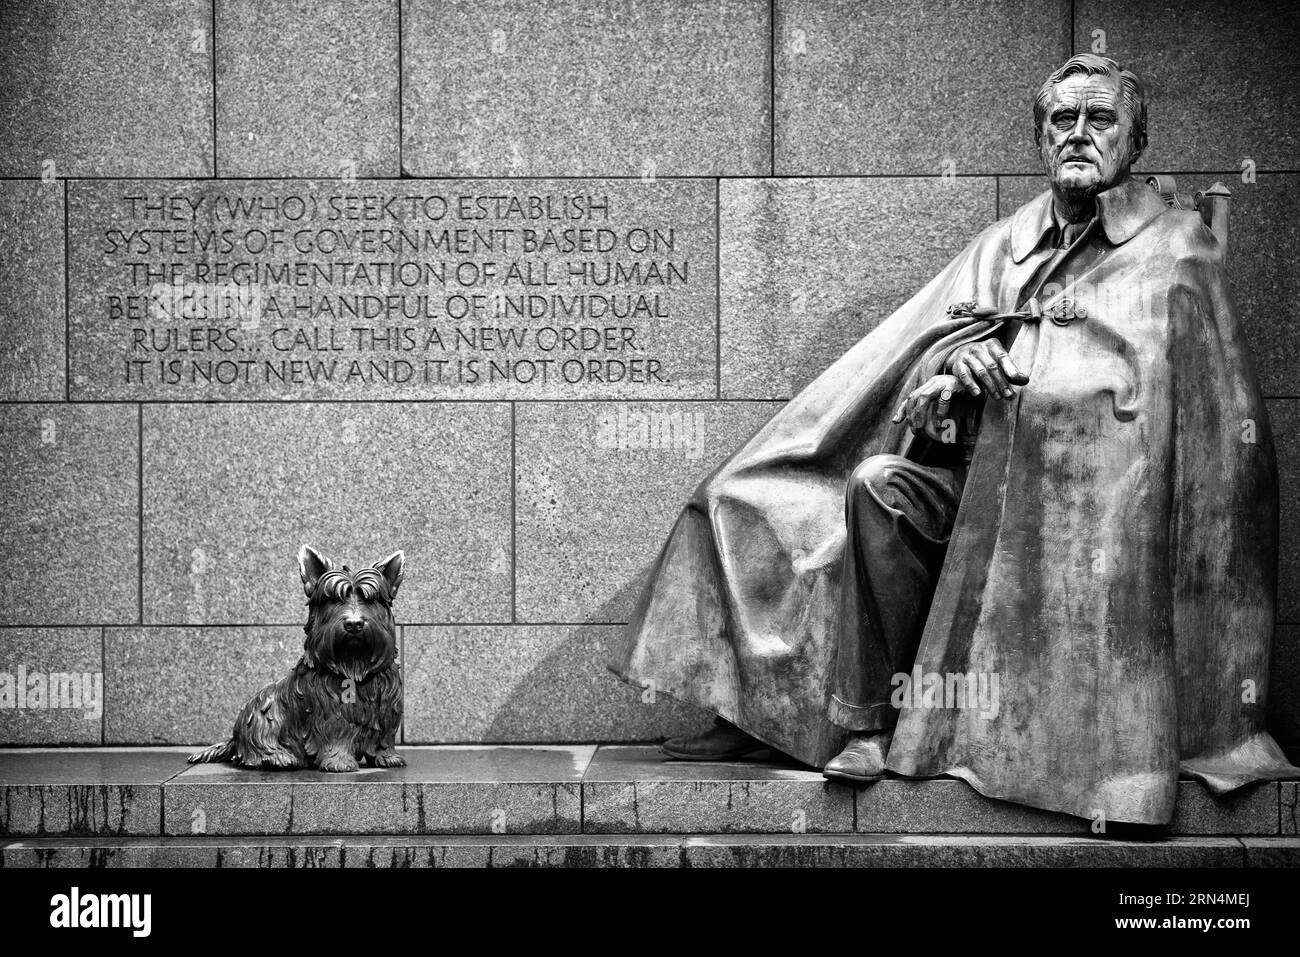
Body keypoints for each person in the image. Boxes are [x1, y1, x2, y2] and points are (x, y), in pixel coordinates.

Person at [610, 53, 1298, 825]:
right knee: (850, 488)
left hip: (1080, 514)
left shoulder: (1176, 247)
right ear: (1041, 140)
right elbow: (923, 357)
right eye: (1060, 121)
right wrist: (951, 370)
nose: (1078, 135)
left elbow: (1208, 432)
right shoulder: (1004, 244)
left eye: (1099, 119)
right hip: (967, 481)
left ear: (1135, 142)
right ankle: (848, 717)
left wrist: (1037, 384)